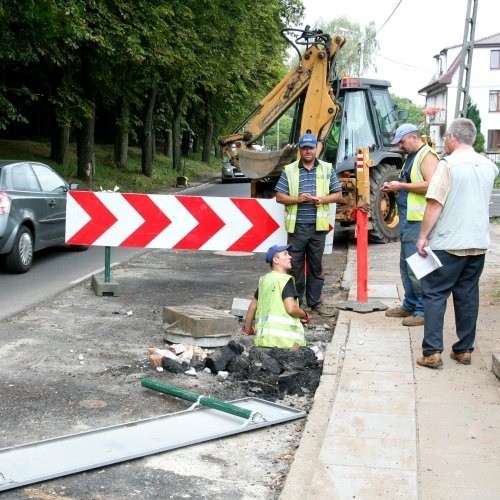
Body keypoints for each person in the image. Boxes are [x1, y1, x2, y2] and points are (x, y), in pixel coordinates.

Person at [415, 118, 499, 368]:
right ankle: (463, 350)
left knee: (434, 293)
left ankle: (431, 352)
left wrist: (422, 236)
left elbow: (435, 203)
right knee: (467, 295)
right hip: (478, 243)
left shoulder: (448, 164)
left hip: (448, 243)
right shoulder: (489, 166)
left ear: (452, 137)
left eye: (445, 139)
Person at [274, 133, 343, 315]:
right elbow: (279, 197)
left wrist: (323, 198)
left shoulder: (327, 169)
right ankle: (295, 303)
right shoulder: (290, 170)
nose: (308, 151)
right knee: (294, 267)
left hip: (318, 227)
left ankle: (315, 303)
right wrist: (297, 199)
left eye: (311, 148)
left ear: (316, 149)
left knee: (316, 266)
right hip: (297, 228)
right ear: (300, 150)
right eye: (304, 148)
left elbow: (338, 194)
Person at [381, 124, 438, 326]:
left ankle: (423, 311)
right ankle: (410, 304)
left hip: (419, 221)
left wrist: (401, 186)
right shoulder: (412, 156)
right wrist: (395, 187)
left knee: (418, 267)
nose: (401, 146)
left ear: (413, 137)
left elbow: (432, 185)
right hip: (408, 220)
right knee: (406, 266)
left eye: (402, 141)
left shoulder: (427, 156)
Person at [243, 244, 311, 349]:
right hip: (286, 343)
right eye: (285, 254)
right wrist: (304, 315)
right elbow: (291, 309)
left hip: (263, 341)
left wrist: (247, 330)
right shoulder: (284, 280)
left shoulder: (264, 280)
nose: (290, 257)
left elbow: (252, 306)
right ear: (276, 260)